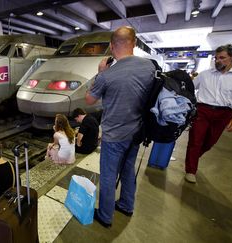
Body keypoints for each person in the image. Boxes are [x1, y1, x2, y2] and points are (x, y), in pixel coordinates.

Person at [85, 26, 156, 228]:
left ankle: (106, 216)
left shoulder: (108, 74)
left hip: (114, 135)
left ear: (111, 46)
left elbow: (89, 100)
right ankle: (126, 204)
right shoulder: (150, 67)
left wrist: (100, 73)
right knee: (127, 170)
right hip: (136, 132)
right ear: (133, 43)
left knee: (108, 176)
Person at [184, 44, 232, 183]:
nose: (218, 60)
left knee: (209, 142)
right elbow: (189, 88)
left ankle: (193, 157)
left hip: (224, 113)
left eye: (222, 58)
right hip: (203, 111)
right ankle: (190, 170)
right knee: (195, 140)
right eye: (216, 58)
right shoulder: (205, 75)